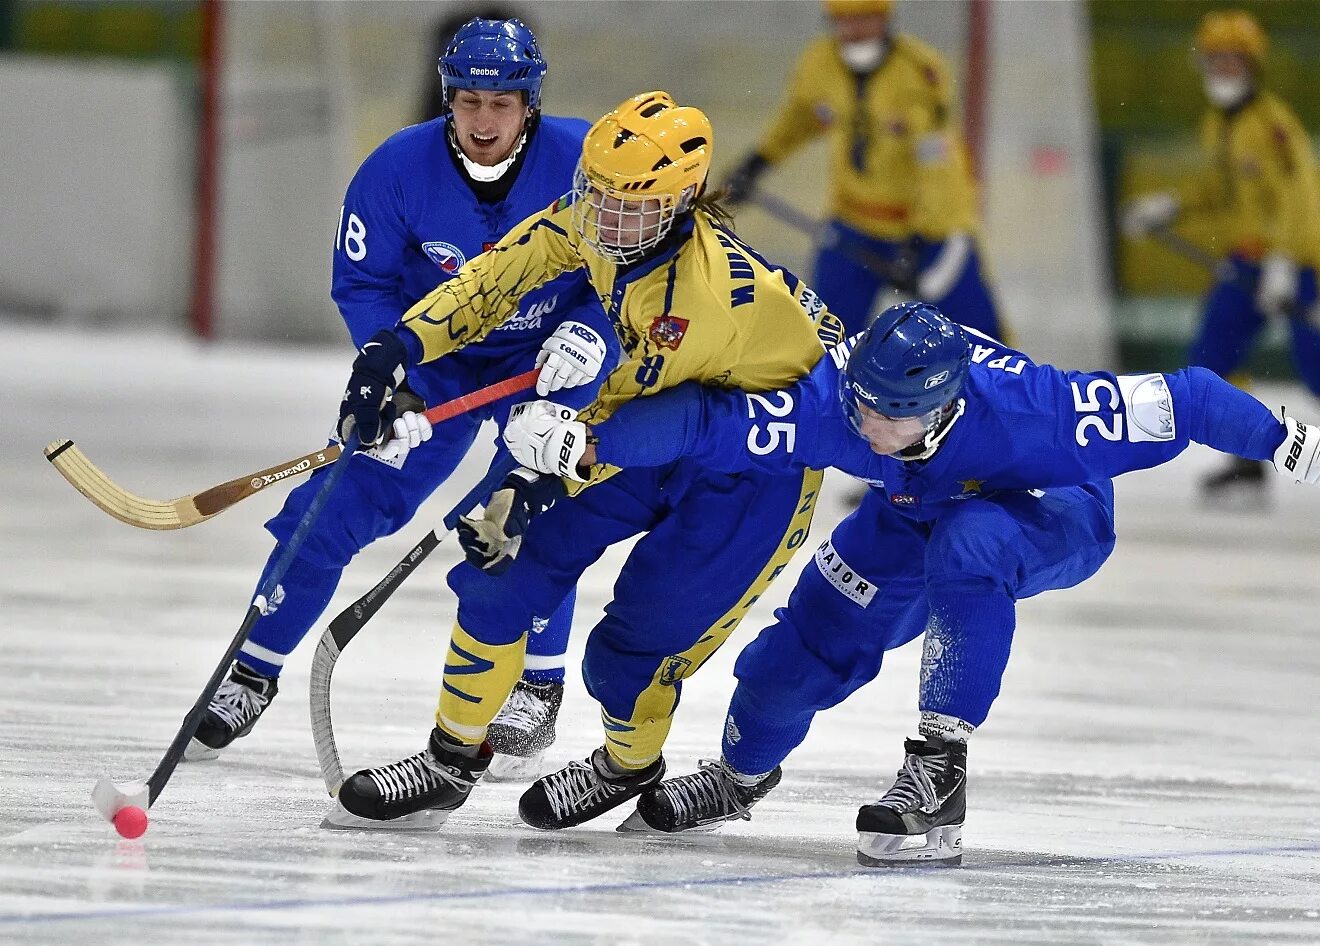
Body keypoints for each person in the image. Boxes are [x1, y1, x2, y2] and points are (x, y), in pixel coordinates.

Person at [502, 300, 1320, 864]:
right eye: (860, 407)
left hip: (1048, 506)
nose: (866, 429)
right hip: (911, 505)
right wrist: (591, 440)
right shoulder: (841, 405)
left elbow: (1195, 398)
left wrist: (1290, 441)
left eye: (889, 415)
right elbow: (711, 424)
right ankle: (741, 777)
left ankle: (938, 768)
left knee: (969, 544)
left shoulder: (1047, 410)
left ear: (942, 405)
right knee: (798, 652)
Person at [324, 90, 844, 832]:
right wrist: (396, 348)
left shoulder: (699, 299)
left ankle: (630, 764)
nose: (599, 220)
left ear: (680, 204)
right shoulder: (614, 220)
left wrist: (529, 480)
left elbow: (627, 422)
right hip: (643, 430)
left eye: (624, 207)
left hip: (746, 473)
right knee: (502, 573)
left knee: (630, 652)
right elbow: (494, 279)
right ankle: (449, 760)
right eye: (592, 194)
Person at [188, 18, 616, 781]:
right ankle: (252, 671)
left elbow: (633, 270)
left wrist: (591, 333)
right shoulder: (395, 169)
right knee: (335, 502)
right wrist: (396, 381)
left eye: (503, 104)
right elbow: (362, 283)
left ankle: (538, 682)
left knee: (529, 512)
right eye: (470, 102)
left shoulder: (587, 164)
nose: (485, 122)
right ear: (449, 98)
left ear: (530, 105)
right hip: (437, 358)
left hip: (546, 362)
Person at [1122, 9, 1320, 508]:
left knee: (1316, 366)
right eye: (1216, 59)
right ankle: (1246, 463)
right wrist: (1171, 205)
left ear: (1253, 65)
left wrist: (1284, 260)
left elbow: (1300, 199)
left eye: (1234, 59)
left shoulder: (1273, 125)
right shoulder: (1219, 124)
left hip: (1300, 263)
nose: (1224, 69)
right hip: (1248, 262)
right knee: (1212, 356)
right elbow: (1222, 191)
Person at [721, 0, 1001, 340]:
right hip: (853, 226)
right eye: (841, 21)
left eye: (862, 20)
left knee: (984, 339)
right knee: (821, 338)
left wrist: (922, 237)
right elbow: (798, 120)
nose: (851, 32)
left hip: (926, 231)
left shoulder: (917, 72)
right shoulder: (820, 62)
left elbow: (937, 163)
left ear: (883, 17)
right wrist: (756, 164)